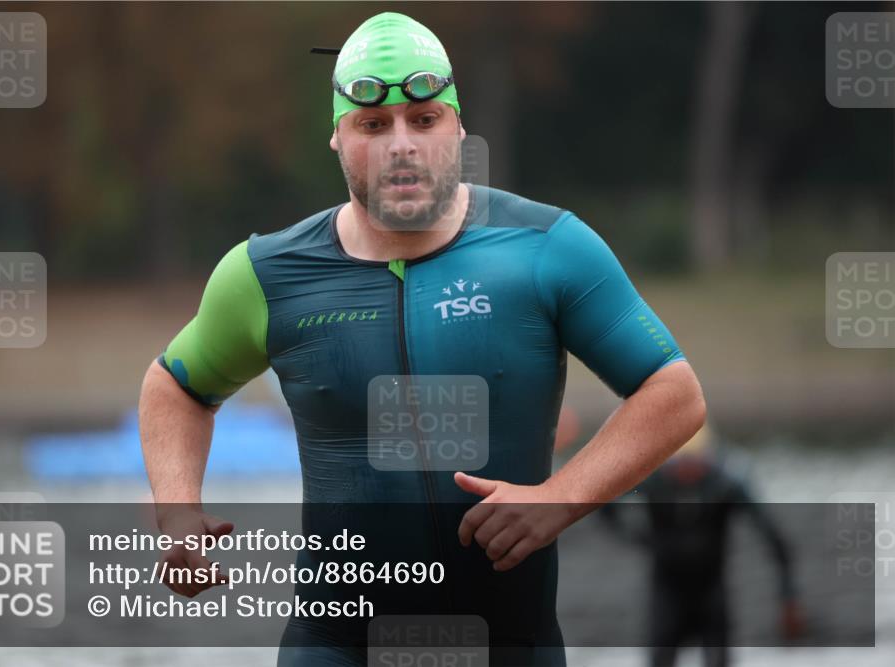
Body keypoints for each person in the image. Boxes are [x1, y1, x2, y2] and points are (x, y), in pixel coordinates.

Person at [138, 11, 706, 666]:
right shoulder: (267, 274)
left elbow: (674, 392)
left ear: (458, 128)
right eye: (373, 125)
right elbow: (175, 385)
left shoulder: (547, 249)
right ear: (338, 137)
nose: (400, 143)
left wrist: (560, 498)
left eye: (424, 118)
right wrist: (177, 513)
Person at [602, 424, 805, 667]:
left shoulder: (726, 482)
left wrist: (788, 596)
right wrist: (635, 537)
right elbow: (605, 501)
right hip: (667, 590)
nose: (687, 471)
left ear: (709, 458)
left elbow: (772, 536)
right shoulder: (653, 480)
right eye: (680, 464)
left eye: (695, 463)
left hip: (711, 590)